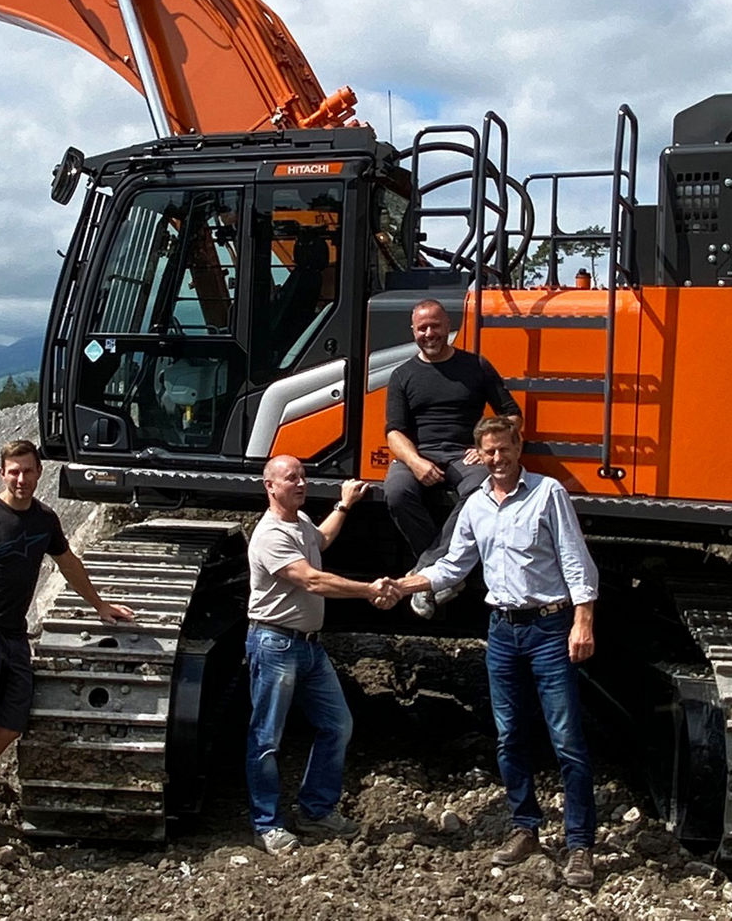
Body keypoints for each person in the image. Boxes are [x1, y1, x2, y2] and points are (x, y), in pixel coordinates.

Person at [381, 416, 601, 888]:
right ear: (478, 455)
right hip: (502, 631)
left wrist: (583, 622)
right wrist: (404, 586)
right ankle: (526, 829)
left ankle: (580, 844)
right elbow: (451, 566)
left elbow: (575, 561)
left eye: (505, 450)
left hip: (548, 628)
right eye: (490, 453)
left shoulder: (548, 494)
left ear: (518, 448)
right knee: (509, 736)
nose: (498, 460)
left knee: (566, 739)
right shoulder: (476, 506)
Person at [0, 439, 136, 857]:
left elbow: (68, 563)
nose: (21, 479)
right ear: (1, 473)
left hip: (13, 635)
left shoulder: (44, 520)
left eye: (28, 471)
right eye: (13, 471)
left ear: (39, 473)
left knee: (10, 723)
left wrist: (100, 605)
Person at [246, 457, 392, 855]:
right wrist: (368, 590)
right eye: (291, 477)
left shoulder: (299, 523)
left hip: (308, 646)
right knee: (266, 738)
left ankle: (316, 810)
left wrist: (344, 504)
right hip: (275, 644)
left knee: (338, 725)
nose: (301, 482)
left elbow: (320, 541)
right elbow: (311, 578)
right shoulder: (270, 535)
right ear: (270, 486)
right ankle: (267, 825)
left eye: (303, 476)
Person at [383, 297, 521, 616]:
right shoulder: (402, 375)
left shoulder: (476, 366)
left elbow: (512, 415)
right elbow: (394, 432)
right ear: (413, 331)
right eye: (422, 328)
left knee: (479, 492)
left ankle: (428, 572)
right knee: (396, 491)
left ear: (448, 327)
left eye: (435, 326)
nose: (429, 333)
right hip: (419, 453)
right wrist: (416, 463)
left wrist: (487, 447)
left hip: (464, 454)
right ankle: (444, 574)